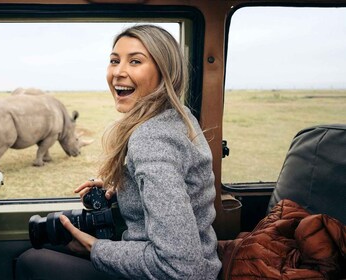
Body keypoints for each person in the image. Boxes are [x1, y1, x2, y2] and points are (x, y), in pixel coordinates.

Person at [15, 24, 221, 280]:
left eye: (135, 61)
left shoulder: (151, 138)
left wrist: (94, 248)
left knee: (30, 261)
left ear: (164, 71)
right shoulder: (180, 116)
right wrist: (128, 184)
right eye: (114, 61)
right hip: (203, 263)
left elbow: (182, 267)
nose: (118, 72)